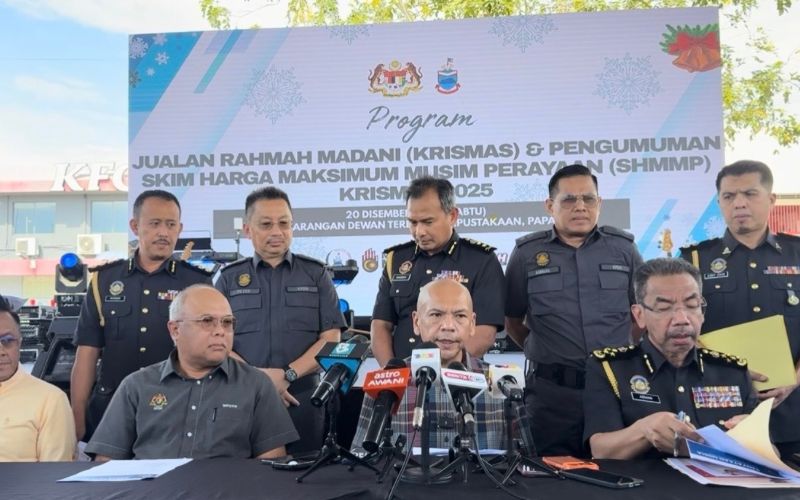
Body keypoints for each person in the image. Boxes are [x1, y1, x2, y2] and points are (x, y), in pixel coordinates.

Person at [504, 164, 644, 456]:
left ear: (599, 203)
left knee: (619, 470)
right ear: (550, 205)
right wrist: (545, 349)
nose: (580, 207)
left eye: (588, 199)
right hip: (552, 397)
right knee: (550, 474)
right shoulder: (527, 254)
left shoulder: (624, 250)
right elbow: (512, 320)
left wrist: (622, 349)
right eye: (569, 199)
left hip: (614, 389)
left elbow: (641, 315)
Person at [85, 285, 298, 460]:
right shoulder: (137, 386)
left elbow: (271, 467)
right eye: (207, 321)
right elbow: (106, 463)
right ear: (175, 330)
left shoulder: (256, 385)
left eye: (227, 323)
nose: (220, 331)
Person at [71, 190, 213, 442]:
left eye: (171, 225)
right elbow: (87, 353)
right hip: (110, 409)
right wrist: (77, 417)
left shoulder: (197, 282)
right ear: (135, 226)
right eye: (155, 223)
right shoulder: (104, 280)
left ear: (180, 229)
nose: (163, 232)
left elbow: (208, 353)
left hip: (176, 410)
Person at [680, 160, 800, 457]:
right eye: (729, 196)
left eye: (750, 193)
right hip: (719, 408)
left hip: (791, 409)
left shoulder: (797, 254)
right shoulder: (694, 260)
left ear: (771, 199)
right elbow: (679, 329)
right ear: (719, 202)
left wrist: (793, 380)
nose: (739, 203)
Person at [584, 258, 757, 459]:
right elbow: (600, 450)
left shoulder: (732, 371)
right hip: (644, 479)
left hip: (722, 479)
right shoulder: (611, 369)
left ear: (702, 312)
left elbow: (772, 453)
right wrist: (644, 430)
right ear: (639, 315)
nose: (682, 319)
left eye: (692, 305)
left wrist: (753, 438)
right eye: (664, 308)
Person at [215, 186, 346, 454]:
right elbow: (216, 340)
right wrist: (260, 380)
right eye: (266, 224)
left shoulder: (316, 274)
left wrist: (288, 374)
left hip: (302, 398)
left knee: (302, 474)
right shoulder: (228, 278)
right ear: (248, 230)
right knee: (238, 474)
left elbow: (331, 338)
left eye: (284, 223)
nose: (277, 231)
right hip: (242, 396)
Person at [352, 279, 507, 452]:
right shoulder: (385, 383)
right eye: (436, 315)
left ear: (472, 324)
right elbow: (361, 458)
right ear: (416, 322)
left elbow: (522, 462)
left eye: (460, 316)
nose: (448, 326)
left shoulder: (501, 383)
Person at [371, 176, 505, 366]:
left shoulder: (481, 260)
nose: (419, 232)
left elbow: (485, 333)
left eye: (428, 222)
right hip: (404, 375)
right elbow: (380, 325)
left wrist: (446, 371)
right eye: (413, 222)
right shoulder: (396, 260)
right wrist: (393, 373)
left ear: (452, 216)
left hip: (458, 376)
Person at [0, 296, 76, 462]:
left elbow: (53, 473)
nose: (1, 351)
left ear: (19, 343)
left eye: (7, 341)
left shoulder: (50, 400)